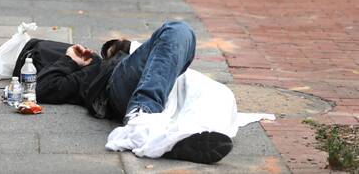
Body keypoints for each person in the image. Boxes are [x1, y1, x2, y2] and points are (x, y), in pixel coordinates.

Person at [14, 21, 234, 164]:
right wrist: (70, 60)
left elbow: (157, 57)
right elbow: (41, 88)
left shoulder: (109, 60)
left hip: (154, 84)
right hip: (115, 90)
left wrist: (121, 47)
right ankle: (141, 115)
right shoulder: (85, 75)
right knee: (178, 30)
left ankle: (173, 142)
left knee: (211, 90)